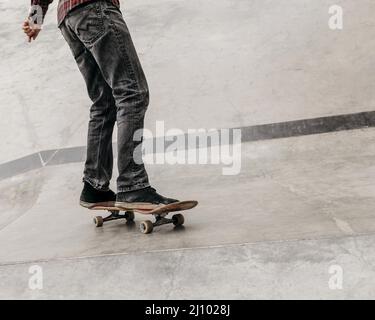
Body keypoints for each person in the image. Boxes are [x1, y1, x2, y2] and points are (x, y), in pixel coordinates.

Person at [23, 0, 178, 209]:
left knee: (104, 102)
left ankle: (94, 186)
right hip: (96, 9)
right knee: (132, 93)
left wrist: (35, 19)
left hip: (69, 18)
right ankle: (133, 186)